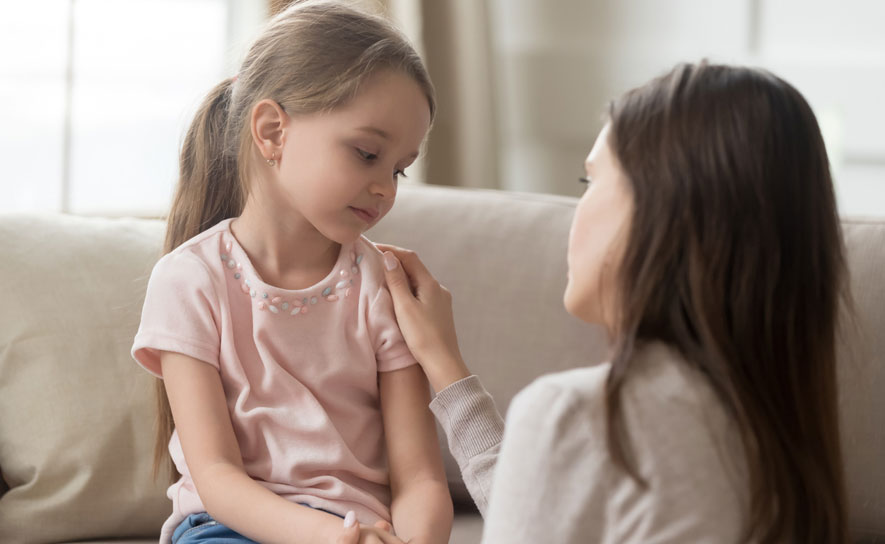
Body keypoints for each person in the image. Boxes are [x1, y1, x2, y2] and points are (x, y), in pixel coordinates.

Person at [337, 61, 850, 543]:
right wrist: (447, 368)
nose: (575, 212)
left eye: (592, 181)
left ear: (661, 213)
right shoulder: (778, 431)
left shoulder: (579, 414)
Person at [130, 2, 452, 543]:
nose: (386, 188)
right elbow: (217, 477)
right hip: (224, 528)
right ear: (273, 131)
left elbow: (419, 476)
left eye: (399, 168)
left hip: (361, 529)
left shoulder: (382, 284)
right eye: (367, 153)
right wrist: (326, 538)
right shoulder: (188, 281)